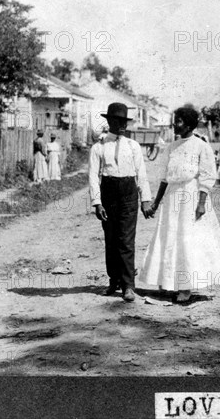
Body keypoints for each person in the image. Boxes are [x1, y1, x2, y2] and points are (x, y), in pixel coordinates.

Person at [139, 104, 220, 303]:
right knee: (169, 239)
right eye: (175, 120)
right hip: (172, 198)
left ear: (190, 124)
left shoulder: (201, 145)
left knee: (188, 240)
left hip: (191, 196)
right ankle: (169, 282)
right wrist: (156, 204)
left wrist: (201, 203)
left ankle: (186, 287)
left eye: (180, 121)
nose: (176, 124)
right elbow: (165, 179)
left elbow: (207, 176)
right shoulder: (171, 147)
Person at [88, 102, 152, 302]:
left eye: (124, 121)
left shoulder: (133, 146)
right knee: (111, 239)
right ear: (109, 121)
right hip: (108, 192)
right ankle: (113, 280)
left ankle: (128, 286)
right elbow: (92, 176)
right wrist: (97, 203)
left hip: (128, 193)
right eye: (117, 121)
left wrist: (146, 200)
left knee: (126, 240)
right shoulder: (98, 147)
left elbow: (141, 174)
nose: (122, 125)